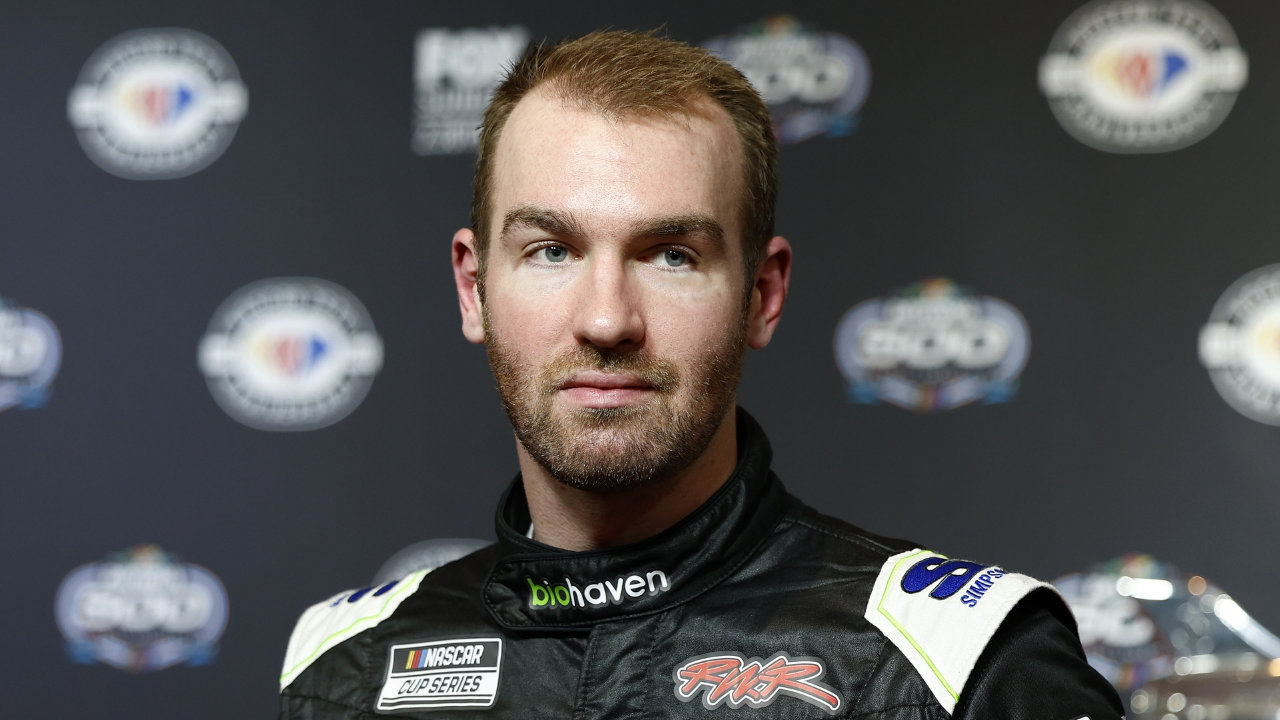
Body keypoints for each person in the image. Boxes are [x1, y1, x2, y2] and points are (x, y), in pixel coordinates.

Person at [278, 30, 1124, 719]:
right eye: (551, 251)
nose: (607, 318)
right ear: (473, 288)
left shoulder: (963, 664)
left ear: (763, 293)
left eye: (672, 255)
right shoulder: (343, 667)